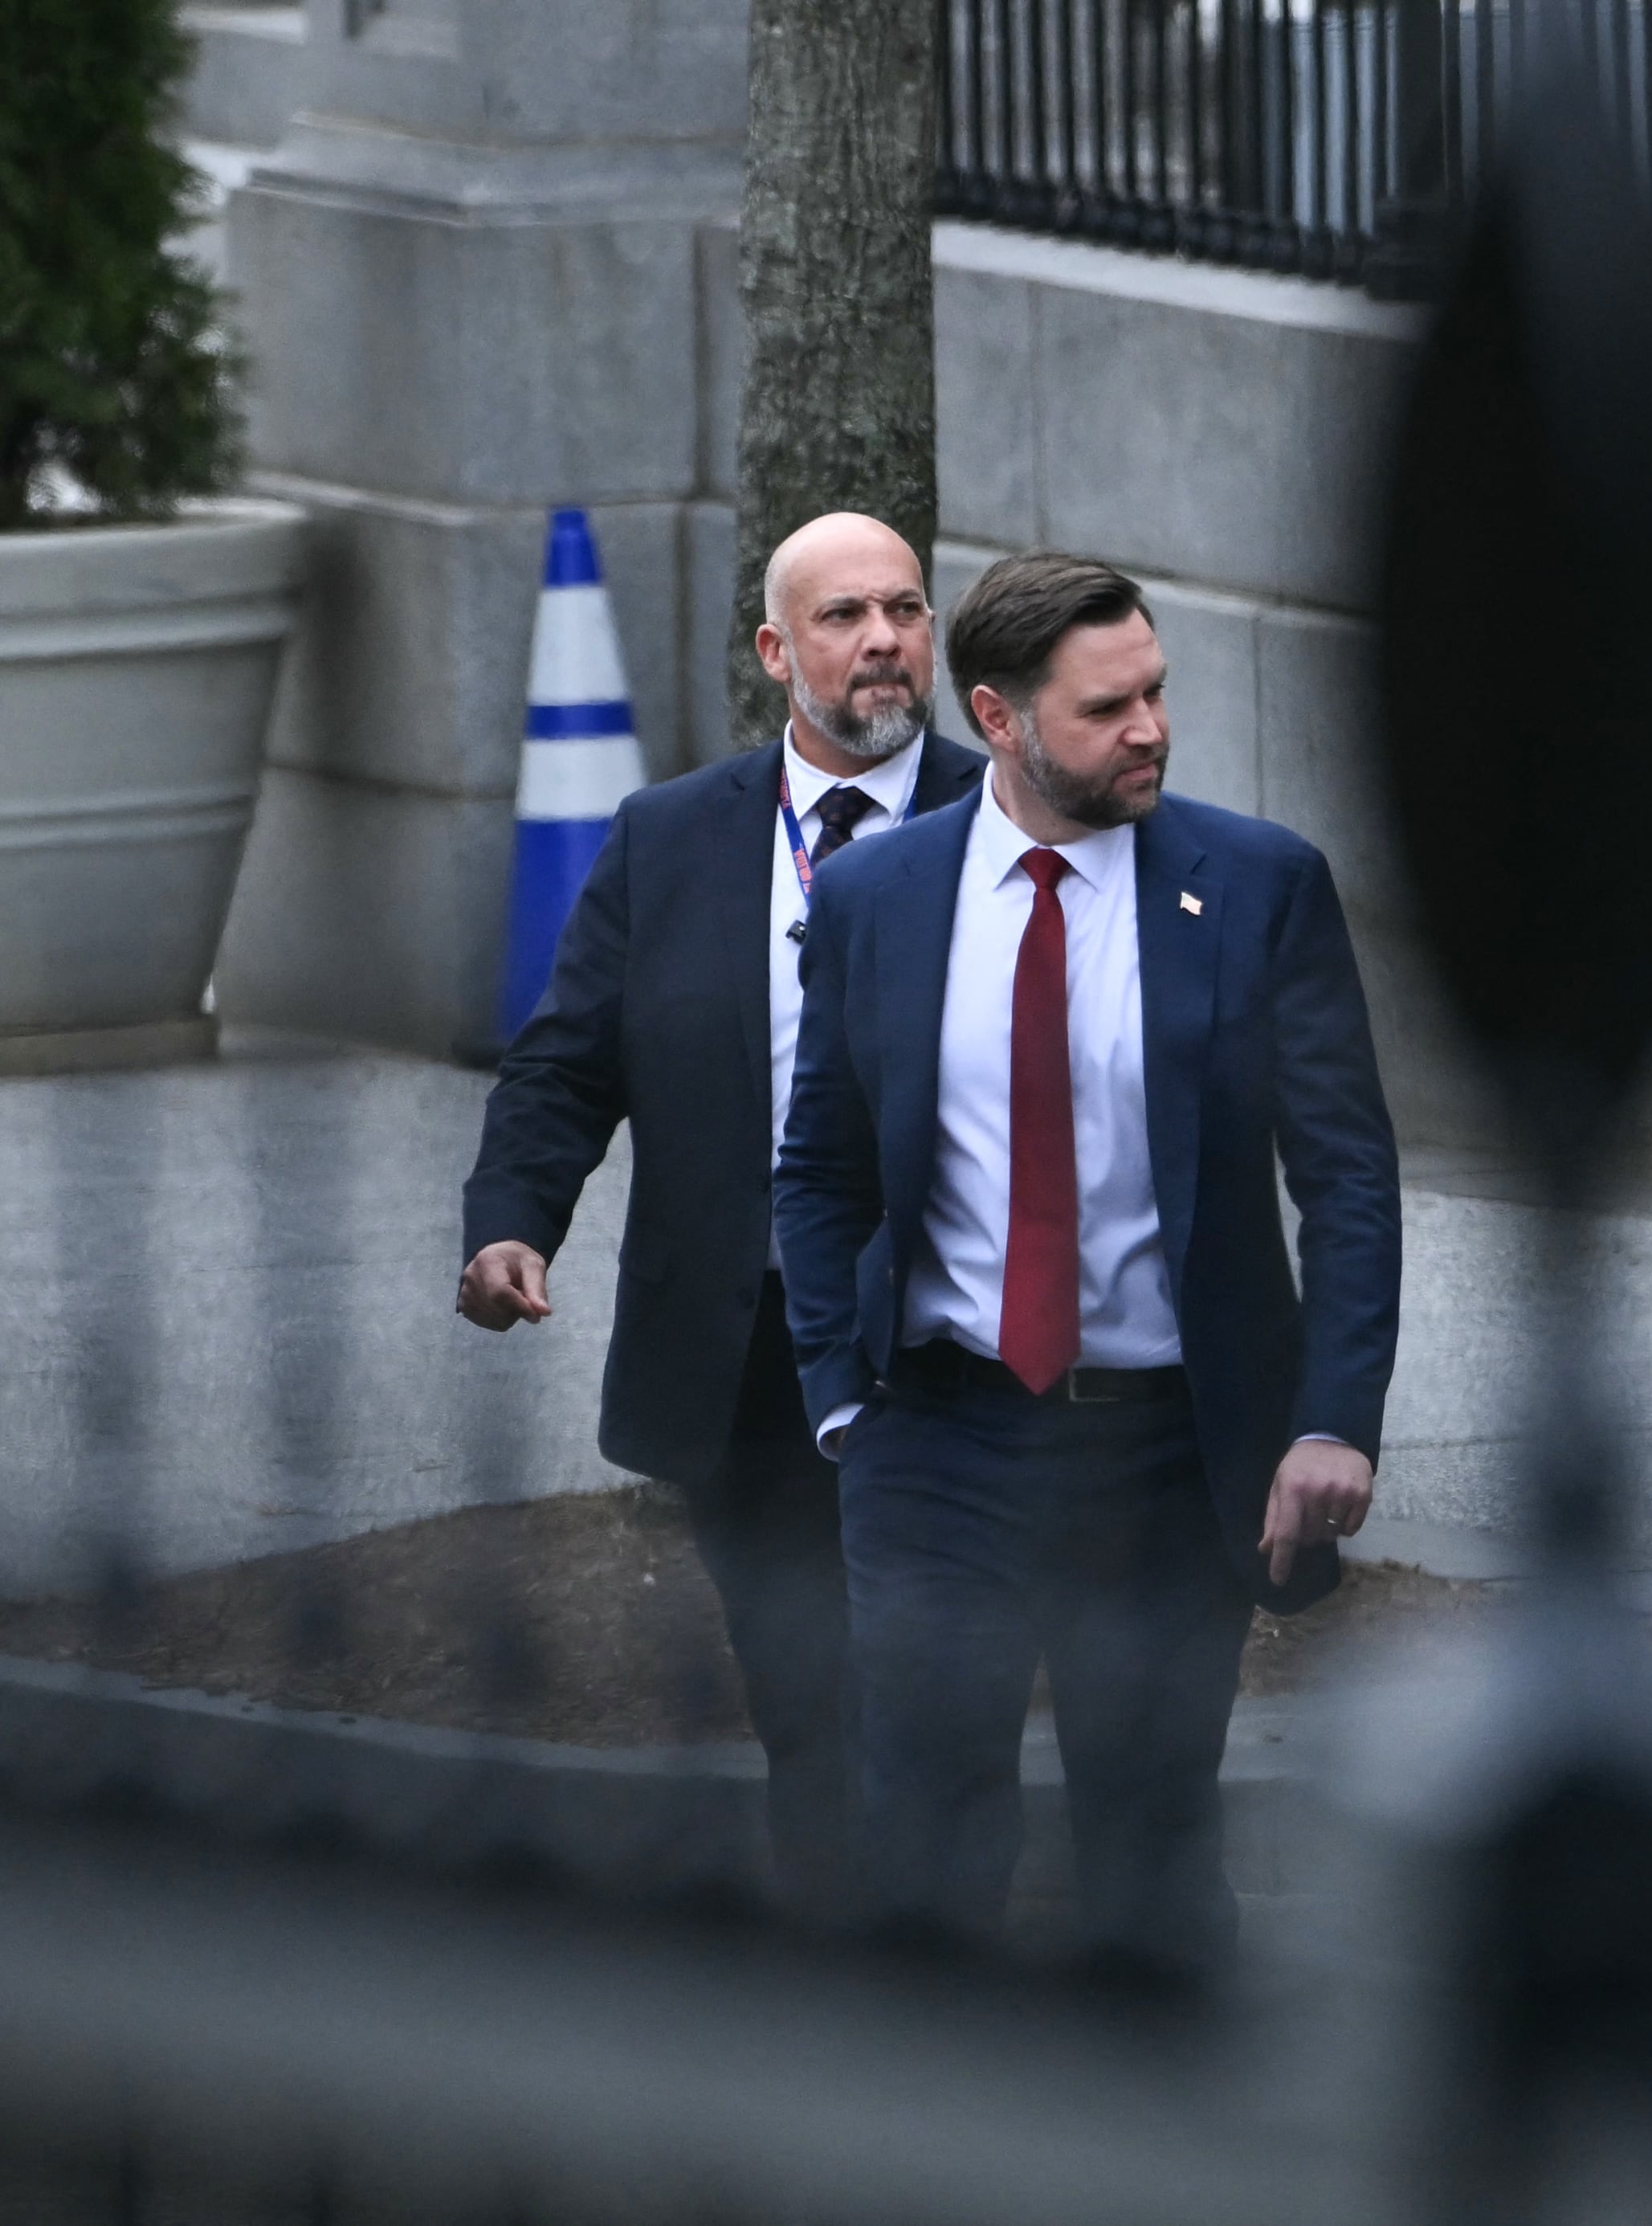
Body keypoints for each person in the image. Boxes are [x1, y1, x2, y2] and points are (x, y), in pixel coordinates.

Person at [774, 550, 1400, 1971]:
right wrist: (840, 1397)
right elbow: (819, 1164)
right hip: (934, 1437)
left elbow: (1350, 1176)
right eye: (1109, 708)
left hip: (1164, 1454)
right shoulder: (881, 898)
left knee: (1152, 1844)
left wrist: (1330, 1420)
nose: (1152, 729)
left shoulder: (1256, 888)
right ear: (997, 718)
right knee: (925, 1838)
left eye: (1157, 692)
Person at [457, 512, 985, 1924]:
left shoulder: (1009, 824)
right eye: (844, 618)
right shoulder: (671, 839)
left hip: (950, 1341)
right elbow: (569, 1061)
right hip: (747, 1348)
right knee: (802, 1684)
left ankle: (937, 1936)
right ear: (774, 652)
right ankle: (845, 1943)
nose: (883, 643)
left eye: (906, 611)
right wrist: (514, 1221)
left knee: (929, 1670)